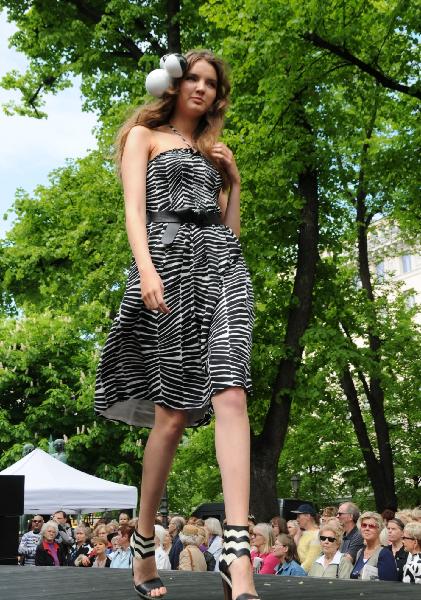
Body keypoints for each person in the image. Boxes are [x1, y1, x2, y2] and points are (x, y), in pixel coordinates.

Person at [94, 49, 257, 600]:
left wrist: (232, 182)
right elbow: (134, 211)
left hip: (222, 267)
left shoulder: (213, 153)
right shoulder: (145, 136)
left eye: (212, 83)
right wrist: (146, 269)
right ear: (174, 82)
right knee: (173, 416)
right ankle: (143, 541)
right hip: (168, 263)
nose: (203, 89)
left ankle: (239, 562)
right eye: (194, 78)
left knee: (232, 393)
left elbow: (227, 231)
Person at [350, 511, 397, 581]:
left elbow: (388, 585)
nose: (367, 528)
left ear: (379, 529)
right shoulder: (360, 552)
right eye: (364, 525)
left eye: (371, 526)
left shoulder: (385, 554)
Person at [291, 504, 321, 573]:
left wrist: (296, 573)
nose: (297, 519)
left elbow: (310, 562)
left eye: (299, 516)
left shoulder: (317, 535)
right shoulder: (303, 533)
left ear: (308, 516)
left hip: (309, 574)